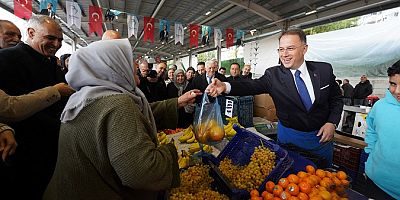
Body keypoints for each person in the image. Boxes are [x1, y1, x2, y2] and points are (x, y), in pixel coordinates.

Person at [43, 39, 201, 200]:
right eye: (127, 58)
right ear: (113, 66)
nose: (134, 64)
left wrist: (177, 102)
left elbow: (136, 114)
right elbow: (142, 172)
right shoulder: (118, 104)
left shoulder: (86, 97)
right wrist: (173, 152)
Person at [207, 29, 343, 167]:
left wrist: (332, 122)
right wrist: (225, 86)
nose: (284, 54)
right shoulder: (273, 75)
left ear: (304, 48)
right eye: (281, 49)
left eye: (290, 48)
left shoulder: (324, 70)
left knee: (324, 182)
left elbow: (336, 99)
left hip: (322, 141)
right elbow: (251, 86)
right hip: (290, 141)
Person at [0, 15, 71, 199]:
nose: (56, 44)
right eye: (51, 38)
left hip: (52, 150)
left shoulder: (50, 63)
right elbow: (10, 108)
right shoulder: (7, 59)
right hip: (23, 154)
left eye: (60, 40)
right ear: (31, 33)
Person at [363, 60, 400, 199]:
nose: (397, 91)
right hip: (376, 184)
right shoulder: (380, 106)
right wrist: (371, 153)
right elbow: (371, 129)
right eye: (393, 84)